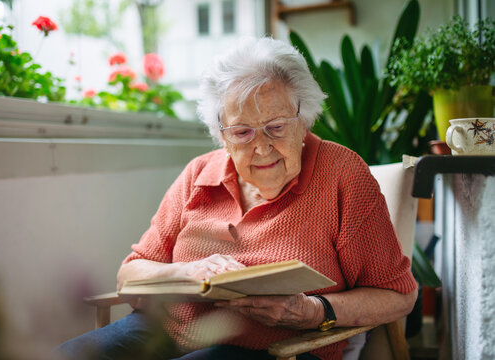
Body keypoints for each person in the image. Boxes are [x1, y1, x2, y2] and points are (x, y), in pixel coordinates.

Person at [56, 37, 418, 360]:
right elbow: (129, 276)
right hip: (161, 333)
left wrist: (313, 311)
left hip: (271, 349)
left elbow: (398, 295)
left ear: (304, 119)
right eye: (242, 132)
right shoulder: (199, 173)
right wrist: (187, 272)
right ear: (221, 135)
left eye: (276, 127)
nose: (261, 147)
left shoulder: (341, 174)